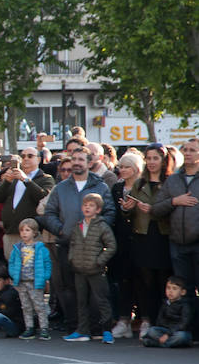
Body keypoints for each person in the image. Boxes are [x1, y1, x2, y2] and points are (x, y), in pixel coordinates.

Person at [43, 147, 114, 334]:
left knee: (93, 290)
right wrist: (60, 229)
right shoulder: (60, 188)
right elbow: (49, 213)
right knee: (68, 288)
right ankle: (74, 325)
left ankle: (95, 327)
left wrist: (95, 231)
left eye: (80, 159)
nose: (76, 162)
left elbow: (110, 213)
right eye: (73, 159)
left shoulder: (101, 187)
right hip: (67, 244)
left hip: (92, 247)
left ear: (89, 163)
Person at [122, 143, 174, 338]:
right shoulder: (140, 182)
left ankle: (165, 322)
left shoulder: (170, 181)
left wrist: (153, 210)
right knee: (146, 282)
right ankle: (150, 320)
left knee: (164, 280)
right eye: (149, 158)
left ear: (163, 160)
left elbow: (172, 208)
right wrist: (127, 208)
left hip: (163, 235)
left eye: (155, 158)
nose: (152, 162)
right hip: (142, 236)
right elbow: (130, 210)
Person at [150, 137, 199, 317]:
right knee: (184, 292)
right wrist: (174, 201)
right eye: (185, 149)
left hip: (197, 241)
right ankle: (189, 330)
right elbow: (155, 209)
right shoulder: (173, 180)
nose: (187, 153)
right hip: (178, 243)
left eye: (192, 150)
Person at [63, 193, 117, 344]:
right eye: (85, 205)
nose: (87, 207)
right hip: (79, 269)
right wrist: (72, 258)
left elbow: (111, 246)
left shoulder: (102, 226)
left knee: (102, 300)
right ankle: (82, 331)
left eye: (91, 205)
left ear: (98, 209)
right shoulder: (78, 226)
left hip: (96, 270)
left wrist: (99, 261)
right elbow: (73, 244)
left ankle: (106, 331)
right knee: (81, 301)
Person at [0, 147, 55, 260]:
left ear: (39, 159)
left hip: (33, 234)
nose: (25, 159)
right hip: (11, 233)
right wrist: (7, 182)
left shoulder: (46, 179)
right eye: (23, 156)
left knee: (32, 269)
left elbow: (43, 198)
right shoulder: (13, 179)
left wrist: (26, 180)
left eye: (30, 156)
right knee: (13, 270)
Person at [109, 152, 143, 338]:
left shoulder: (143, 186)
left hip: (141, 239)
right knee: (123, 281)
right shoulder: (116, 187)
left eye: (126, 167)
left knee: (142, 281)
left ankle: (145, 319)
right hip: (120, 240)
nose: (122, 170)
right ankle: (124, 321)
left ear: (136, 169)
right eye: (121, 166)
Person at [8, 218, 52, 340]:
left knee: (39, 305)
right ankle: (29, 328)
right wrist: (13, 273)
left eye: (27, 230)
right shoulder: (17, 248)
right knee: (26, 306)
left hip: (35, 281)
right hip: (21, 282)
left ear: (34, 232)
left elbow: (47, 263)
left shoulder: (40, 248)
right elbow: (11, 262)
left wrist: (45, 277)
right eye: (22, 230)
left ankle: (44, 328)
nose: (24, 233)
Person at [141, 276, 193, 348]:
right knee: (152, 330)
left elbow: (184, 324)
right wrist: (164, 330)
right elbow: (159, 320)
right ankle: (168, 343)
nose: (170, 291)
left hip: (177, 331)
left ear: (183, 292)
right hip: (165, 330)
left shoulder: (185, 306)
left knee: (182, 336)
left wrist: (168, 334)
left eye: (174, 288)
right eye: (168, 288)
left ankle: (157, 344)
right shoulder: (165, 303)